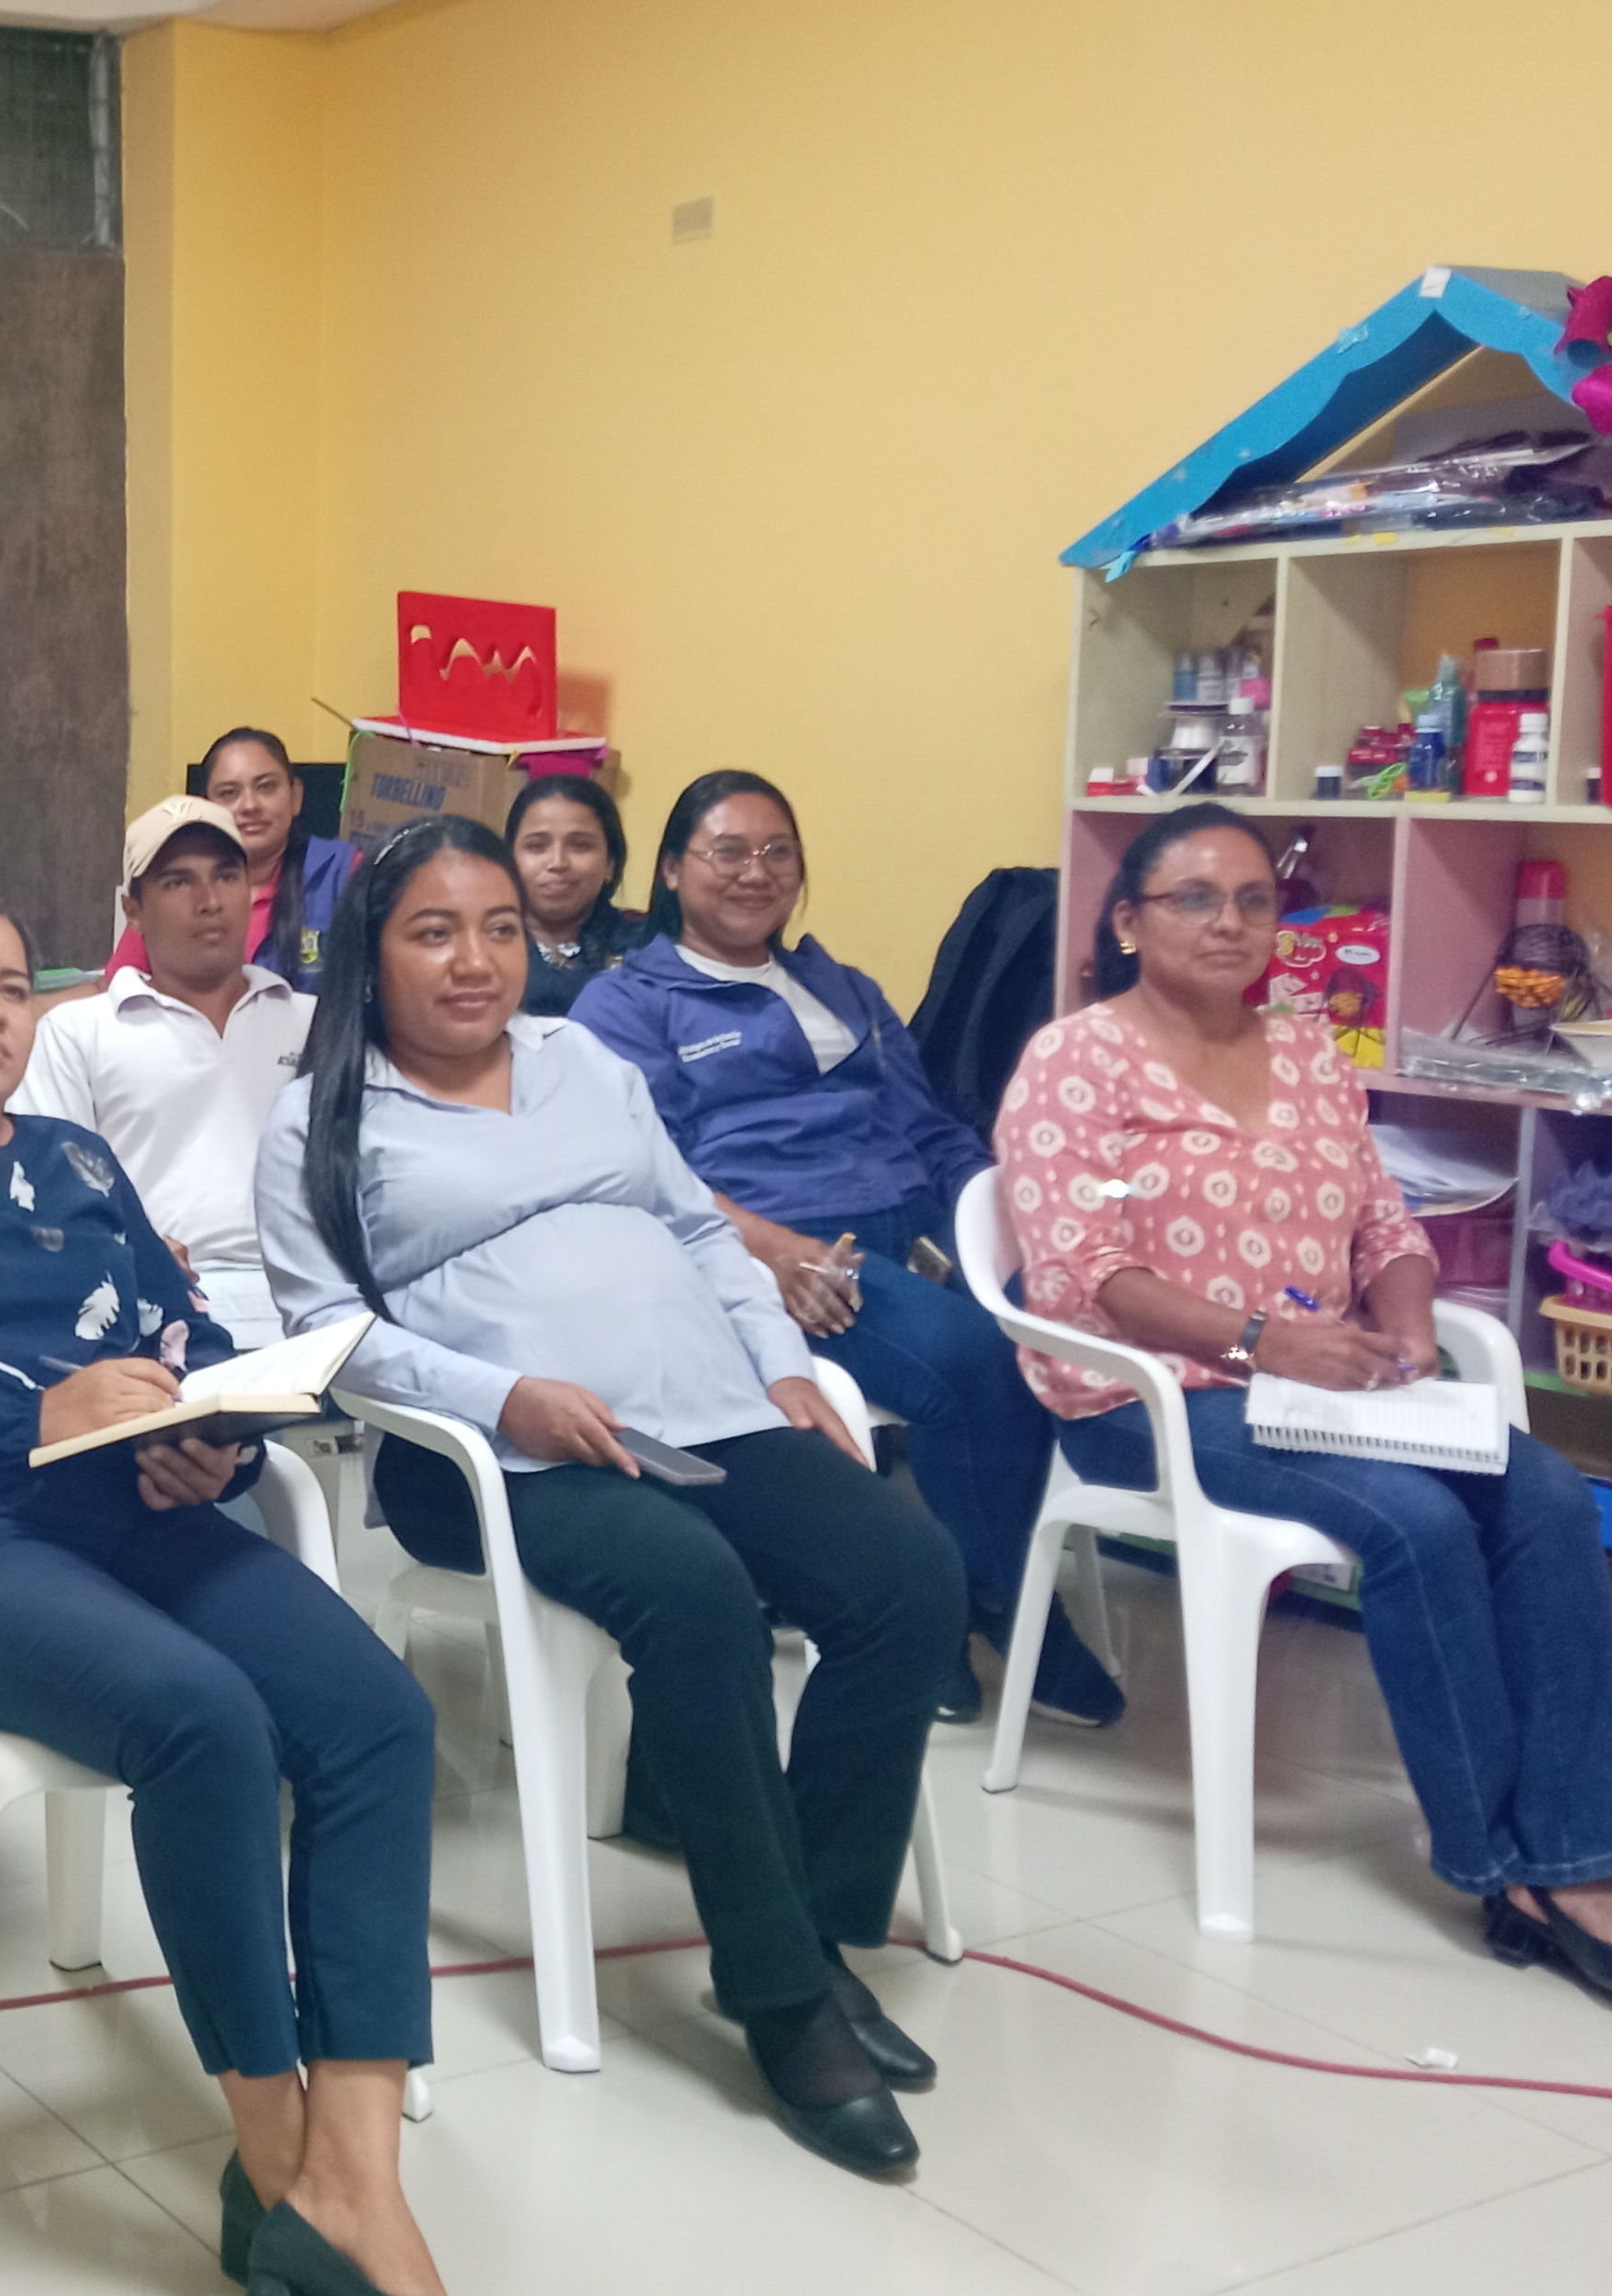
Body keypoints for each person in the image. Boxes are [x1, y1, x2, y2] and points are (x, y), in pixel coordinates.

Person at [0, 880, 529, 2296]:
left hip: (134, 1513)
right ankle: (283, 2164)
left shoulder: (74, 1162)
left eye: (8, 984)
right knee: (202, 1719)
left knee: (376, 1718)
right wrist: (37, 1410)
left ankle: (352, 2180)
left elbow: (188, 1340)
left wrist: (208, 1439)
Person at [259, 816, 961, 2177]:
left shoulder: (581, 1061)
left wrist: (782, 1362)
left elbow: (698, 1224)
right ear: (370, 955)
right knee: (694, 1592)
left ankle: (812, 1934)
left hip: (705, 1405)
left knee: (908, 1577)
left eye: (500, 929)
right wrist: (503, 1395)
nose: (476, 961)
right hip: (489, 1458)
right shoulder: (323, 1118)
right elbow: (328, 1330)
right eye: (433, 933)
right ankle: (783, 1998)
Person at [997, 804, 1612, 2018]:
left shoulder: (1309, 1053)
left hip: (1323, 1385)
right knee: (1417, 1524)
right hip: (1151, 1393)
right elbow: (1084, 1274)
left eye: (1253, 900)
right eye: (1193, 898)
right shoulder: (1075, 1063)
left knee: (1543, 1491)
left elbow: (1388, 1225)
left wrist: (1413, 1329)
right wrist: (1261, 1341)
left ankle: (1590, 1854)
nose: (1229, 922)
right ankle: (1503, 1863)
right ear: (1126, 922)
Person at [570, 770, 1125, 1732]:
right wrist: (773, 1253)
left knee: (1062, 1312)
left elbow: (932, 1128)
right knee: (971, 1360)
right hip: (788, 1243)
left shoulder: (845, 987)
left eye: (777, 852)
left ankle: (974, 1587)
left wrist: (1014, 1214)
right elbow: (647, 1173)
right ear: (670, 870)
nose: (756, 872)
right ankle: (986, 1610)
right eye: (727, 851)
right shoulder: (627, 1006)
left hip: (915, 1222)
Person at [12, 796, 314, 1345]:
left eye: (226, 877)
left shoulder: (313, 1023)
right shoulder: (78, 1033)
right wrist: (131, 1251)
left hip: (311, 1300)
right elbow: (51, 1195)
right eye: (178, 882)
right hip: (154, 1299)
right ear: (134, 911)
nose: (209, 902)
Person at [106, 728, 356, 992]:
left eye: (266, 787)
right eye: (229, 793)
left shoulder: (344, 871)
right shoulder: (170, 890)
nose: (249, 805)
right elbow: (115, 988)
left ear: (296, 797)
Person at [495, 772, 657, 1018]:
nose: (558, 862)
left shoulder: (647, 948)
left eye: (580, 846)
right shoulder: (484, 948)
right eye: (537, 846)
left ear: (610, 864)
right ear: (509, 861)